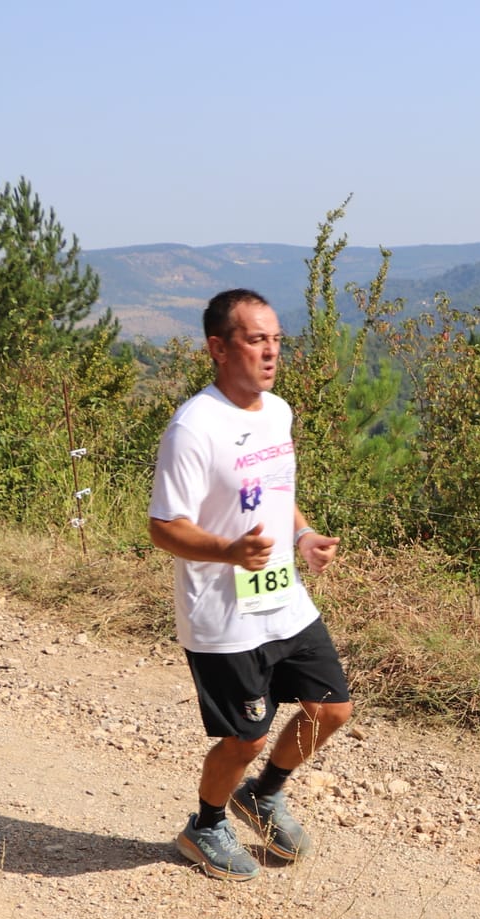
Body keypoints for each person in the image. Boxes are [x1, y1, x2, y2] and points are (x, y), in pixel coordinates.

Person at [148, 289, 352, 881]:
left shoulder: (278, 411)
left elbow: (275, 495)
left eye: (277, 340)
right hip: (222, 615)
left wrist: (304, 535)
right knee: (246, 738)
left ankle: (262, 796)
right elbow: (164, 526)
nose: (271, 352)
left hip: (283, 599)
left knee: (331, 709)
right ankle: (206, 825)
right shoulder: (194, 427)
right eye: (256, 340)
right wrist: (228, 551)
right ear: (218, 347)